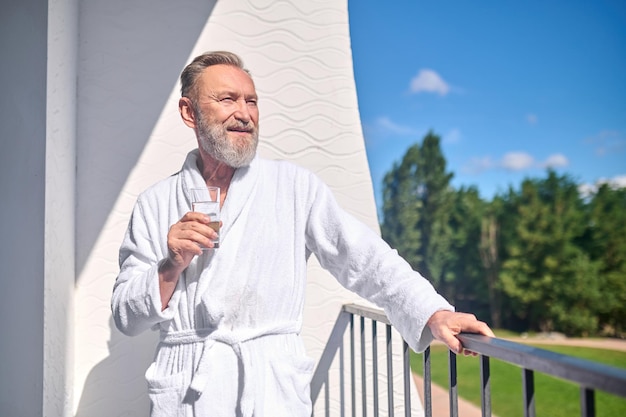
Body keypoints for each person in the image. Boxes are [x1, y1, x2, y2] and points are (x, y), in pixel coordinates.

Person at [111, 51, 494, 417]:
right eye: (227, 99)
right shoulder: (154, 203)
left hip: (269, 389)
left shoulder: (293, 187)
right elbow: (125, 317)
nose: (244, 114)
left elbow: (364, 259)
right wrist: (170, 267)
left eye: (252, 102)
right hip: (188, 392)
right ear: (188, 111)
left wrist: (433, 312)